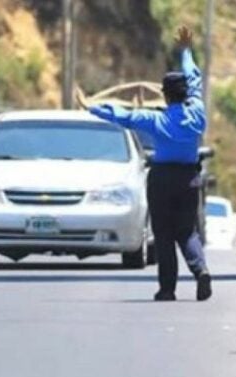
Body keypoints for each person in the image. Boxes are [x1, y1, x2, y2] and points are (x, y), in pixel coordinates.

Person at [89, 26, 211, 302]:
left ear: (166, 96)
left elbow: (123, 116)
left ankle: (167, 289)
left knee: (164, 234)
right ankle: (200, 269)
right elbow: (194, 78)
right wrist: (187, 52)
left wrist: (93, 108)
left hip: (163, 178)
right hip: (189, 178)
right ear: (185, 95)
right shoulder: (197, 115)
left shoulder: (155, 120)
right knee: (187, 230)